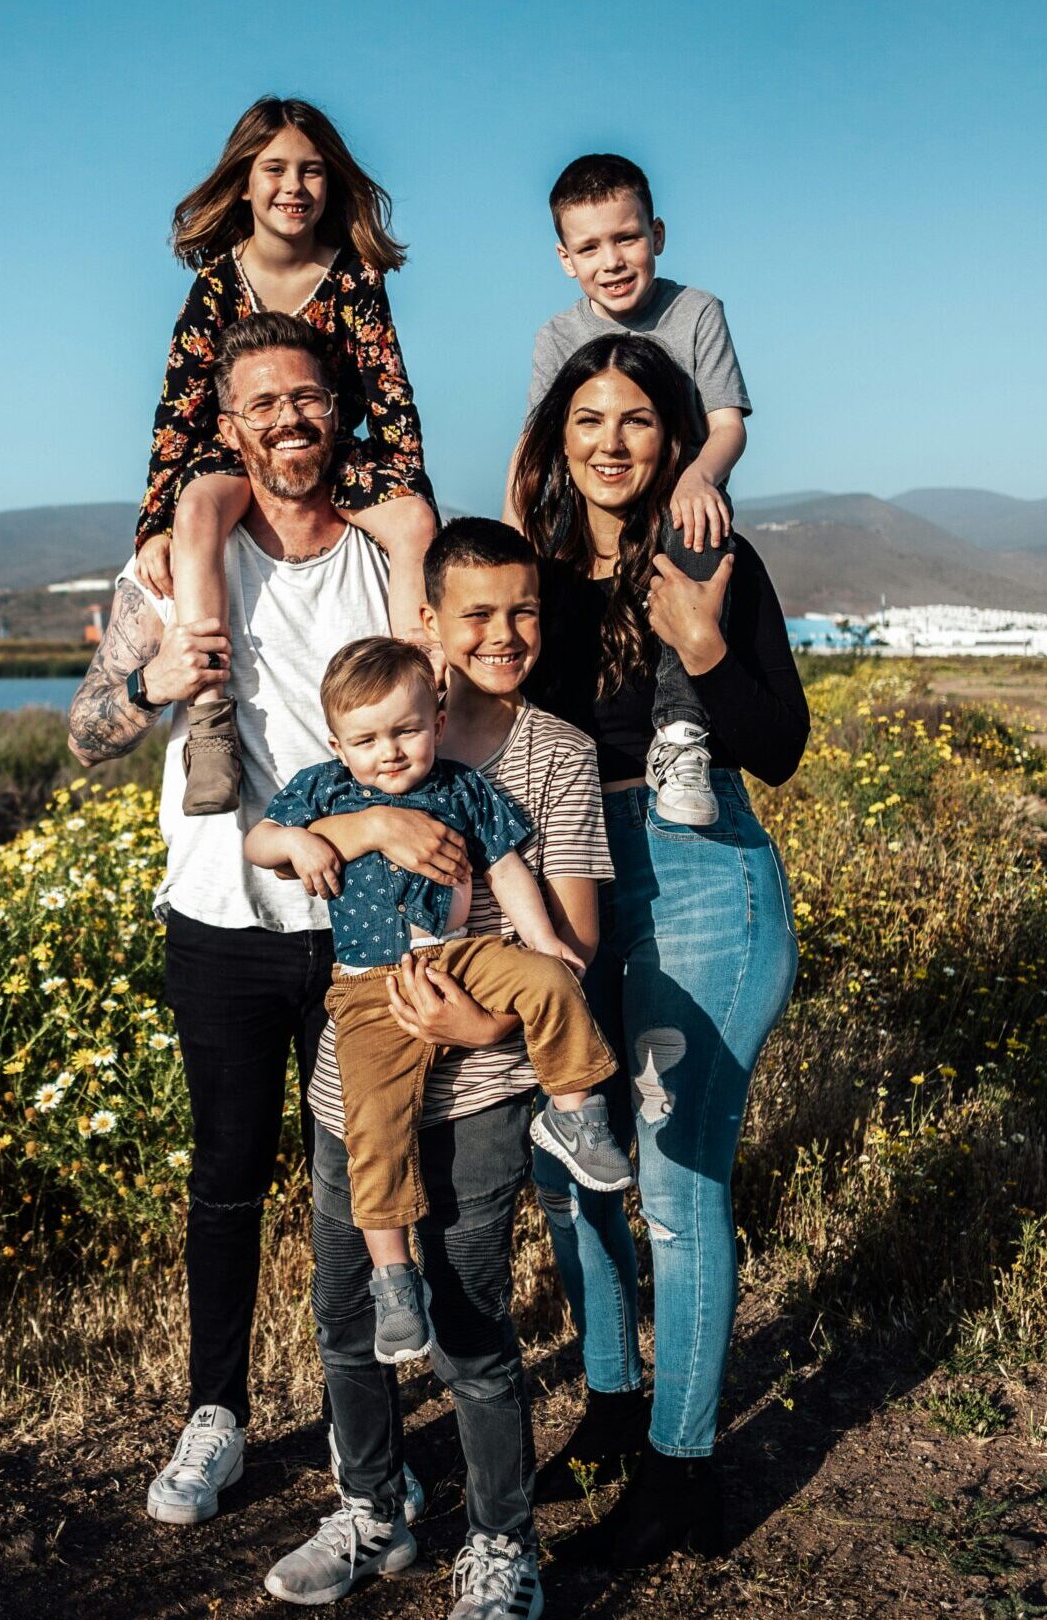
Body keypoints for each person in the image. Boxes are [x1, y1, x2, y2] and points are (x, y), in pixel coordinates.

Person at [66, 310, 425, 1532]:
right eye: (262, 403)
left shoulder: (382, 559)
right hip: (221, 915)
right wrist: (149, 683)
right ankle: (213, 1415)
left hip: (363, 925)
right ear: (228, 427)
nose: (288, 420)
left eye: (308, 399)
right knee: (225, 1178)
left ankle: (356, 1427)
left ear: (341, 413)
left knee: (354, 1181)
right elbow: (84, 735)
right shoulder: (167, 569)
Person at [261, 519, 613, 1620]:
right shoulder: (364, 737)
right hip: (352, 1073)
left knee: (471, 1320)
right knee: (349, 1310)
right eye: (477, 614)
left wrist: (483, 1029)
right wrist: (363, 825)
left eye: (525, 613)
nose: (504, 635)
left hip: (486, 1084)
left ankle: (504, 1543)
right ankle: (373, 1509)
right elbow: (280, 844)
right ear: (429, 625)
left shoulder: (550, 754)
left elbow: (568, 933)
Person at [512, 333, 806, 1569]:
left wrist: (697, 635)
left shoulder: (713, 559)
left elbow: (777, 741)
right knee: (573, 1163)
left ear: (674, 438)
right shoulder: (531, 572)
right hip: (573, 873)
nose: (612, 442)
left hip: (701, 879)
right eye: (588, 419)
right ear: (556, 438)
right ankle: (614, 1406)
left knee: (679, 1192)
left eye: (637, 419)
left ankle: (686, 1474)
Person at [245, 636, 626, 1368]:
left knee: (552, 983)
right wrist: (298, 845)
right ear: (336, 743)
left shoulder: (461, 788)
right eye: (366, 739)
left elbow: (507, 868)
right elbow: (258, 842)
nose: (388, 752)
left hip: (464, 957)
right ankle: (393, 1278)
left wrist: (545, 941)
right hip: (368, 986)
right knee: (373, 1125)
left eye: (406, 730)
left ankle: (576, 1116)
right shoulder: (323, 790)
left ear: (437, 720)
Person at [133, 96, 437, 817]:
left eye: (310, 171)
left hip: (337, 450)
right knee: (199, 506)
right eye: (274, 169)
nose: (292, 187)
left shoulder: (355, 276)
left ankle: (422, 689)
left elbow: (388, 392)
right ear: (244, 181)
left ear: (330, 183)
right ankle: (211, 721)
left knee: (415, 524)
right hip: (236, 453)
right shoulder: (214, 284)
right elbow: (177, 410)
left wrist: (406, 491)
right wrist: (153, 523)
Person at [504, 153, 752, 828]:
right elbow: (533, 447)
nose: (610, 260)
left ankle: (679, 736)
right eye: (589, 247)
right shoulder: (557, 336)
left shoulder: (696, 311)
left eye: (626, 238)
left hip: (677, 508)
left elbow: (726, 425)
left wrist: (699, 474)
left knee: (696, 526)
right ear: (564, 258)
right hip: (589, 515)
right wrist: (508, 540)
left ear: (657, 235)